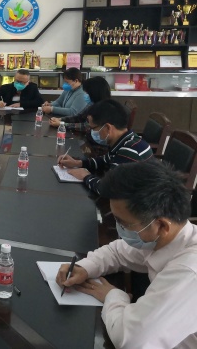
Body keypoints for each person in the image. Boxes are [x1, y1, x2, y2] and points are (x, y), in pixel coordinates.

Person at [56, 161, 197, 348]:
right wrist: (84, 268)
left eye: (124, 223)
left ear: (162, 225)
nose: (119, 228)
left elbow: (132, 341)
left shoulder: (188, 271)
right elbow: (116, 252)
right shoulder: (163, 237)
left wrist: (113, 295)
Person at [57, 99, 152, 194]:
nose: (91, 132)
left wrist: (85, 176)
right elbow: (105, 160)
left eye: (93, 128)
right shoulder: (126, 139)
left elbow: (109, 189)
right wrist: (77, 163)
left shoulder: (129, 151)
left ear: (108, 128)